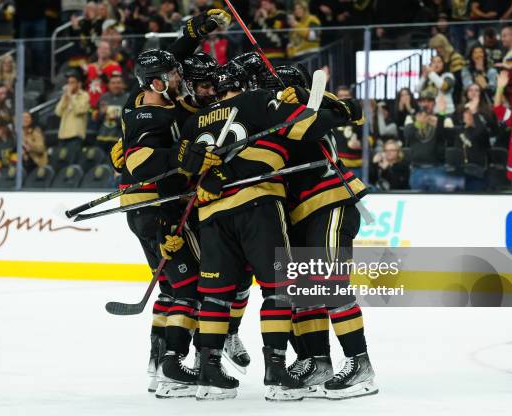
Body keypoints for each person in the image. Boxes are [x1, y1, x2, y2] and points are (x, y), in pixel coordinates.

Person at [181, 62, 363, 401]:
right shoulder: (257, 105)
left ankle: (357, 363)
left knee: (315, 287)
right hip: (266, 208)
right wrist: (341, 110)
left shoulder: (195, 121)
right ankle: (303, 364)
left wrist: (325, 102)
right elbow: (305, 124)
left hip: (316, 204)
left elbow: (189, 168)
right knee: (289, 290)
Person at [116, 9, 231, 398]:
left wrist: (194, 33)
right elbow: (137, 162)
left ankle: (158, 364)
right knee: (192, 287)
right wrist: (183, 156)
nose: (180, 78)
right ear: (155, 82)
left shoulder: (159, 104)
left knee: (173, 288)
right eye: (174, 76)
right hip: (153, 207)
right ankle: (172, 366)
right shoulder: (147, 112)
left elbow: (172, 62)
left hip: (152, 206)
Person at [260, 66, 377, 400]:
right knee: (304, 293)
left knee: (331, 285)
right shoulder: (270, 116)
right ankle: (317, 362)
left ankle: (360, 364)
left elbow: (351, 111)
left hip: (330, 203)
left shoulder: (310, 111)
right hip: (298, 214)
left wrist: (313, 98)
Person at [403, 91, 449, 191]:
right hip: (417, 169)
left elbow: (447, 136)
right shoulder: (411, 118)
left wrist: (440, 117)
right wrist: (418, 124)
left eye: (429, 101)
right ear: (419, 103)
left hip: (437, 168)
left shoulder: (443, 118)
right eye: (423, 101)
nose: (425, 104)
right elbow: (406, 135)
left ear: (434, 103)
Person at [55, 70, 90, 160]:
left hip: (75, 136)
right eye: (68, 83)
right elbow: (58, 112)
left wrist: (71, 97)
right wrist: (65, 98)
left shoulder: (84, 95)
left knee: (72, 161)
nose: (69, 85)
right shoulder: (66, 96)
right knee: (61, 162)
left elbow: (79, 110)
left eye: (72, 82)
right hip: (62, 135)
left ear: (79, 84)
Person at [84, 40, 123, 110]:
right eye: (101, 48)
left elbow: (117, 85)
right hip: (88, 104)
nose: (103, 50)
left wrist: (102, 75)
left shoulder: (115, 66)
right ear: (97, 50)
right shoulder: (90, 67)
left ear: (110, 51)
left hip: (106, 103)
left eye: (106, 48)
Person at [95, 71, 128, 153]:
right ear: (109, 85)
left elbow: (130, 122)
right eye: (113, 83)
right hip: (101, 138)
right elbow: (96, 120)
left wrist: (116, 119)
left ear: (123, 85)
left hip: (118, 140)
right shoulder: (103, 97)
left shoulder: (128, 99)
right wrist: (102, 113)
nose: (116, 85)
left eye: (118, 83)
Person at [251, 0, 289, 65]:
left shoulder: (281, 15)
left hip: (276, 53)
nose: (263, 8)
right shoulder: (261, 18)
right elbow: (251, 32)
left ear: (272, 4)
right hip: (262, 54)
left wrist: (266, 17)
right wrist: (255, 18)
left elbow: (276, 29)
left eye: (265, 5)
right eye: (261, 6)